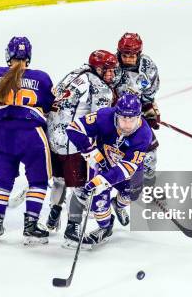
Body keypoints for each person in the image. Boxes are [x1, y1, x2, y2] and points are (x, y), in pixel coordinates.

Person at [0, 36, 54, 245]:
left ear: (8, 55)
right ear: (29, 56)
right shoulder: (42, 78)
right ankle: (30, 225)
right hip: (31, 135)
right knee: (38, 182)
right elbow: (50, 108)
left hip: (3, 134)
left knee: (2, 182)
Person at [45, 50, 118, 239]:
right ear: (96, 68)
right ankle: (73, 227)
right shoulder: (100, 87)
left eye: (112, 70)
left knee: (60, 179)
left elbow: (54, 93)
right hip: (73, 141)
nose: (110, 74)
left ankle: (54, 212)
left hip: (52, 136)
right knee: (82, 185)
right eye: (106, 70)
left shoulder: (74, 74)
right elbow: (101, 120)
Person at [65, 93, 152, 248]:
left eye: (131, 119)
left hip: (128, 172)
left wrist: (102, 180)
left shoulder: (144, 134)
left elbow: (126, 168)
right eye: (123, 118)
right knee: (98, 203)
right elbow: (73, 128)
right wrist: (89, 150)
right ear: (116, 114)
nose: (127, 124)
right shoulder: (104, 116)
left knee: (131, 195)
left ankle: (118, 205)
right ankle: (106, 227)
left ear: (139, 116)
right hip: (101, 164)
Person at [113, 32, 161, 223]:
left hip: (137, 118)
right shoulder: (112, 66)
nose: (128, 59)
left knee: (148, 158)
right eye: (124, 55)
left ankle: (123, 201)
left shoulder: (148, 67)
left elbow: (149, 94)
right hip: (114, 119)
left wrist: (150, 109)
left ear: (139, 53)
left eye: (132, 55)